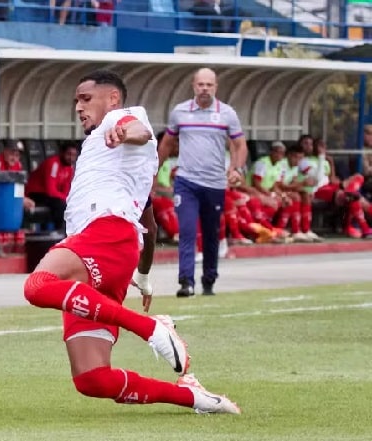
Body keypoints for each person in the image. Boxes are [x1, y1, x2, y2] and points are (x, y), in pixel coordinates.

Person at [23, 70, 240, 415]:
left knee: (37, 286)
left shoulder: (122, 119)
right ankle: (195, 397)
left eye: (85, 98)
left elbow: (138, 130)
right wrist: (142, 275)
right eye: (76, 100)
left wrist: (122, 130)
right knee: (92, 379)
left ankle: (152, 328)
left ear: (111, 99)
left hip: (103, 236)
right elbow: (149, 227)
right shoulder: (120, 164)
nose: (78, 106)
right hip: (112, 253)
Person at [158, 67, 247, 298]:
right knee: (187, 231)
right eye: (201, 84)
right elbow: (167, 143)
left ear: (216, 87)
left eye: (209, 85)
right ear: (193, 86)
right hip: (186, 182)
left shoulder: (227, 113)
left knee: (210, 234)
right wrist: (153, 168)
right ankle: (186, 282)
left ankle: (209, 279)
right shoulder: (180, 112)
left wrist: (236, 168)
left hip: (215, 184)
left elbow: (239, 144)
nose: (204, 88)